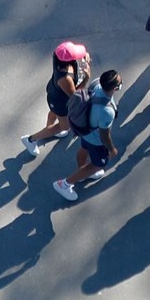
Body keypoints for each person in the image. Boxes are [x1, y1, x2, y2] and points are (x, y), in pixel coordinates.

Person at [53, 70, 123, 202]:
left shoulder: (96, 86)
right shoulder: (107, 112)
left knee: (84, 149)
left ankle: (82, 171)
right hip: (96, 140)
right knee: (98, 165)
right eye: (120, 83)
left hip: (84, 132)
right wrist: (111, 149)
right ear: (115, 88)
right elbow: (104, 136)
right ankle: (65, 184)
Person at [21, 41, 91, 156]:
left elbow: (83, 53)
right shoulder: (65, 79)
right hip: (60, 102)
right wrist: (86, 78)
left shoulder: (58, 56)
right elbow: (75, 96)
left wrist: (84, 56)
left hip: (54, 93)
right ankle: (30, 140)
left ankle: (49, 129)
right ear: (68, 61)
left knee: (54, 113)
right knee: (65, 126)